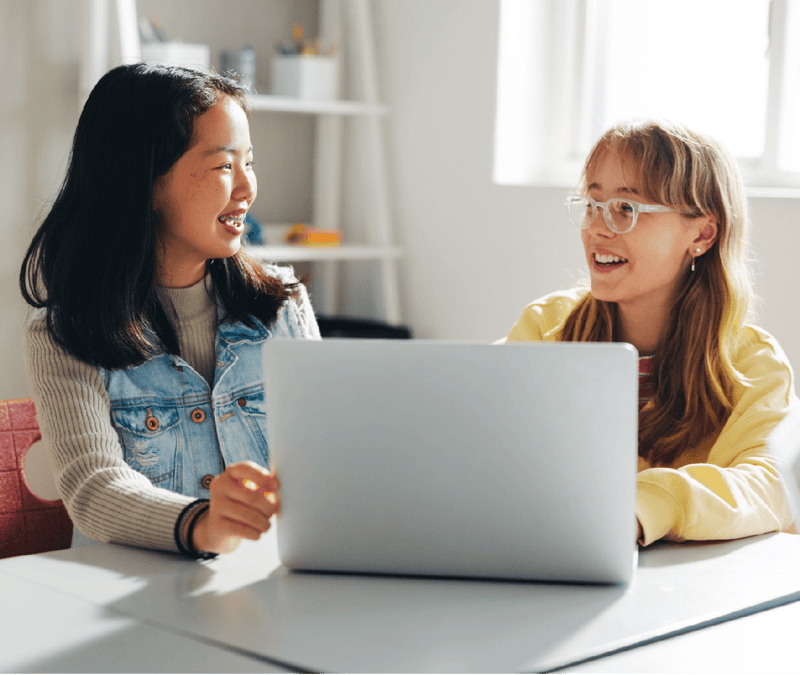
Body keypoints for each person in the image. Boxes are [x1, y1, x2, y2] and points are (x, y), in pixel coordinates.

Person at [19, 63, 320, 558]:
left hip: (266, 585)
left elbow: (325, 459)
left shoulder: (284, 306)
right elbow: (94, 488)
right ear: (145, 181)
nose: (247, 189)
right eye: (224, 166)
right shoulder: (65, 334)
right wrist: (202, 524)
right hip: (133, 596)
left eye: (249, 163)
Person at [500, 119, 797, 546]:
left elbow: (771, 485)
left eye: (626, 208)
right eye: (593, 203)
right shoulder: (547, 328)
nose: (597, 227)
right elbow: (488, 448)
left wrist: (649, 506)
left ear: (702, 234)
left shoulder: (753, 364)